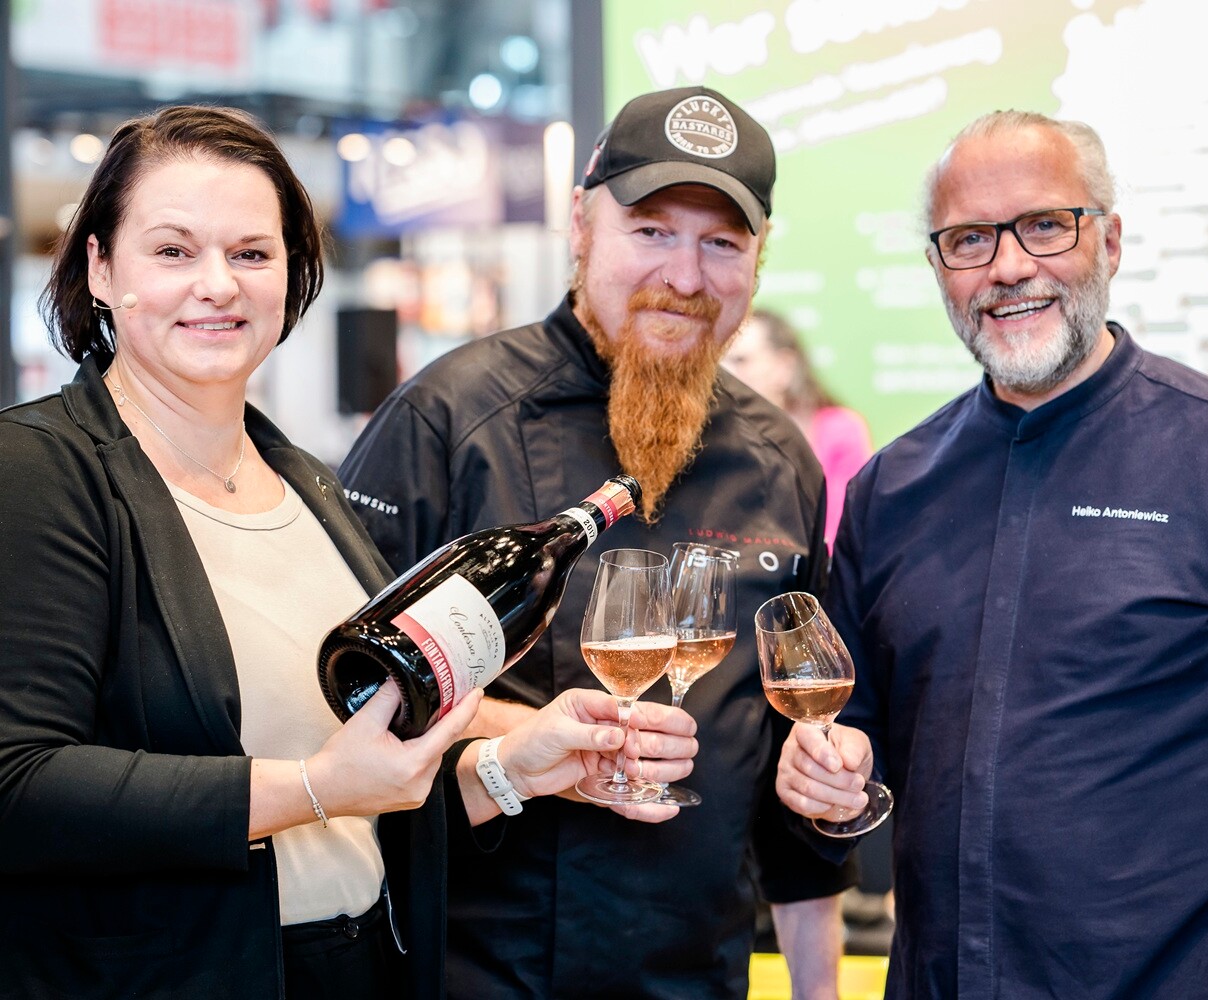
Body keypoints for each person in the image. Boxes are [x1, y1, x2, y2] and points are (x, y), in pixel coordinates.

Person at [0, 105, 696, 1000]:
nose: (217, 284)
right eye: (173, 251)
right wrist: (315, 788)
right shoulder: (39, 471)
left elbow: (360, 798)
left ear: (290, 276)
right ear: (100, 267)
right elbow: (19, 785)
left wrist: (506, 770)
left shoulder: (307, 485)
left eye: (252, 253)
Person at [776, 109, 1208, 1000]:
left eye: (1044, 225)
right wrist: (827, 770)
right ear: (938, 269)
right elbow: (855, 735)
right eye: (968, 240)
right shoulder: (891, 491)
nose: (1007, 267)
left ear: (1109, 241)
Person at [340, 86, 857, 999]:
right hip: (472, 978)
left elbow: (792, 803)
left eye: (722, 244)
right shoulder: (449, 421)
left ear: (757, 261)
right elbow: (345, 707)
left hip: (699, 977)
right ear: (583, 225)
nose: (686, 277)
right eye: (652, 231)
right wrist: (527, 743)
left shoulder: (782, 460)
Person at [723, 309, 873, 549]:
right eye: (720, 361)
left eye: (741, 360)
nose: (726, 374)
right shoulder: (716, 432)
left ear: (784, 366)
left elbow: (840, 534)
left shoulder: (839, 430)